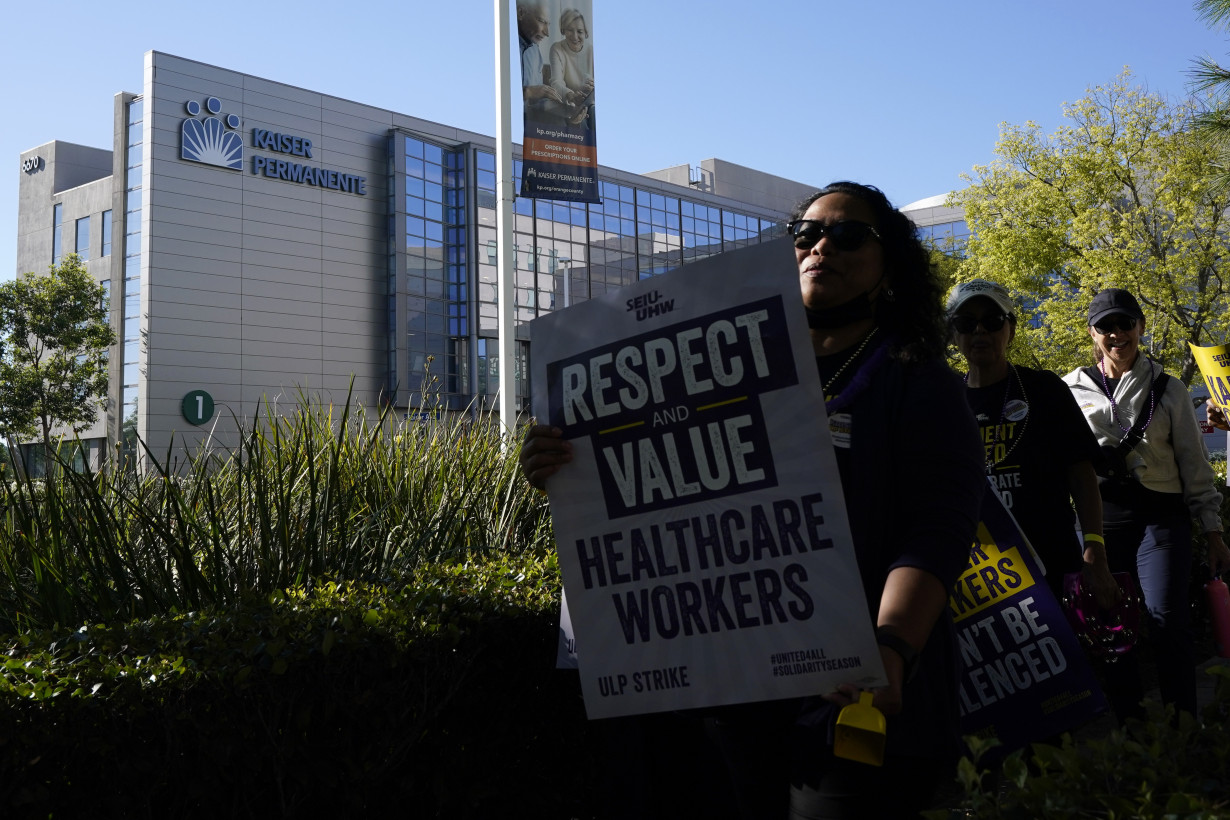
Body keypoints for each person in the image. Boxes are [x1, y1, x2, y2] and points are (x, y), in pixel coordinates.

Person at [521, 182, 985, 818]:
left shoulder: (920, 381)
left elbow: (939, 527)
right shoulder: (715, 366)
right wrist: (567, 467)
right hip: (724, 689)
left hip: (852, 690)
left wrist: (892, 645)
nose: (821, 246)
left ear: (891, 266)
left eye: (848, 236)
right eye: (806, 234)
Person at [1063, 288, 1230, 721]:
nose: (1117, 333)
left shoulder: (1169, 388)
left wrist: (1212, 531)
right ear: (1092, 333)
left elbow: (1194, 464)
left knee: (1166, 620)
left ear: (1140, 327)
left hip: (1161, 517)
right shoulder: (1069, 390)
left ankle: (1183, 727)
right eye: (1106, 326)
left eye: (1125, 323)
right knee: (1110, 627)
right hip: (1101, 520)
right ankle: (1132, 737)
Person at [947, 279, 1119, 608]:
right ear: (953, 334)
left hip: (1051, 563)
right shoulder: (943, 401)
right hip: (978, 575)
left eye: (994, 321)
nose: (980, 331)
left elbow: (1081, 475)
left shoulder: (1043, 389)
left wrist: (1095, 551)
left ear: (1010, 329)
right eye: (966, 323)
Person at [549, 9, 595, 128]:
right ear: (563, 30)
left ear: (585, 32)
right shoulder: (557, 49)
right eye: (570, 30)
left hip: (590, 103)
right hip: (568, 103)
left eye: (579, 31)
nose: (575, 36)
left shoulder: (591, 51)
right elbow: (556, 82)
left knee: (593, 114)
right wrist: (571, 95)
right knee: (578, 120)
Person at [517, 1, 563, 110]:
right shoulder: (501, 48)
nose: (547, 33)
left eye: (548, 24)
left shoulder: (535, 52)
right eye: (542, 21)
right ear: (520, 13)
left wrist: (567, 114)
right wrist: (528, 92)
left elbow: (537, 101)